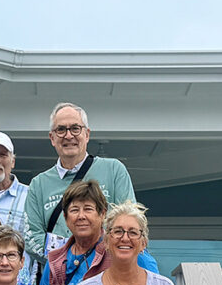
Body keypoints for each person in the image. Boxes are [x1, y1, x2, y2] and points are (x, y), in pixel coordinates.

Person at [25, 102, 149, 267]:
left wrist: (94, 259)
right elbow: (31, 237)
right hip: (61, 275)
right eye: (61, 130)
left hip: (108, 271)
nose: (68, 135)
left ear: (87, 134)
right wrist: (69, 260)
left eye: (75, 128)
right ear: (52, 138)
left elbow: (131, 221)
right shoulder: (38, 184)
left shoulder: (114, 170)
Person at [38, 180, 111, 285]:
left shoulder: (117, 253)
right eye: (74, 210)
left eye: (88, 209)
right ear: (65, 217)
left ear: (102, 214)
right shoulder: (55, 260)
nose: (81, 216)